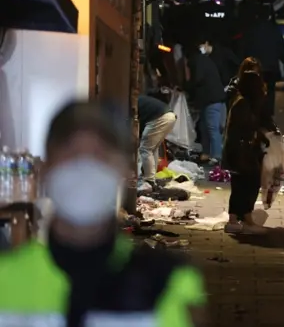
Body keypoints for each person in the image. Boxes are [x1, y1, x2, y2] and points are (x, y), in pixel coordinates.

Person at [0, 101, 206, 325]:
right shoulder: (5, 277)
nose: (84, 169)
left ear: (123, 172)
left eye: (99, 156)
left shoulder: (167, 283)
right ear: (44, 171)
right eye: (72, 154)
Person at [222, 71, 270, 235]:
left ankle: (243, 217)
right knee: (243, 186)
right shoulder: (242, 104)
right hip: (241, 154)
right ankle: (237, 219)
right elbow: (240, 131)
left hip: (244, 152)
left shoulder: (246, 103)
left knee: (246, 185)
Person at [244, 5, 284, 117]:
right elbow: (281, 48)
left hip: (256, 67)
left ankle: (256, 113)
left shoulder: (252, 29)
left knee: (255, 91)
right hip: (271, 68)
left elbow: (245, 48)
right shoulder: (274, 29)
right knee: (270, 92)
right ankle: (268, 114)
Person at [187, 39, 227, 164]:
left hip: (211, 99)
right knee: (205, 127)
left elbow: (198, 78)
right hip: (213, 99)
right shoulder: (207, 60)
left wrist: (187, 87)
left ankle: (216, 156)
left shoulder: (199, 61)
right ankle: (207, 153)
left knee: (211, 128)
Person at [138, 95, 176, 187]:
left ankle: (149, 181)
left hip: (160, 117)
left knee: (145, 149)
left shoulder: (130, 105)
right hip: (170, 116)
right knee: (152, 149)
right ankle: (151, 179)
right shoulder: (138, 100)